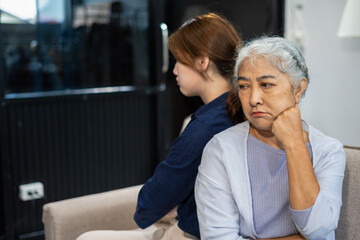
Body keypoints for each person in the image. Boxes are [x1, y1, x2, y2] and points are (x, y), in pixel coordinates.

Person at [77, 13, 241, 240]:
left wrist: (172, 203)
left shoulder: (204, 128)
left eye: (179, 61)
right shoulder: (241, 113)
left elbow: (152, 201)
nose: (174, 70)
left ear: (202, 62)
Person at [195, 36, 346, 240]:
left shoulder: (328, 151)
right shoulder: (220, 149)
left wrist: (294, 144)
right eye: (244, 86)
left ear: (298, 89)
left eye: (266, 84)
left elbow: (318, 231)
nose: (253, 99)